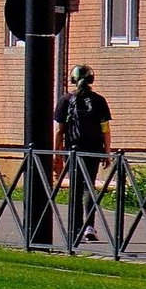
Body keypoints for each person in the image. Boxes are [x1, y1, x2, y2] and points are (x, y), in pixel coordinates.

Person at [56, 64, 113, 246]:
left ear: (73, 79)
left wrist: (56, 152)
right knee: (89, 185)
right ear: (91, 80)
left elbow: (60, 129)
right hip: (94, 149)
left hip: (73, 149)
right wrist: (107, 152)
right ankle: (89, 226)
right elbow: (105, 129)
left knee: (76, 188)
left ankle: (75, 227)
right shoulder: (99, 100)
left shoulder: (65, 100)